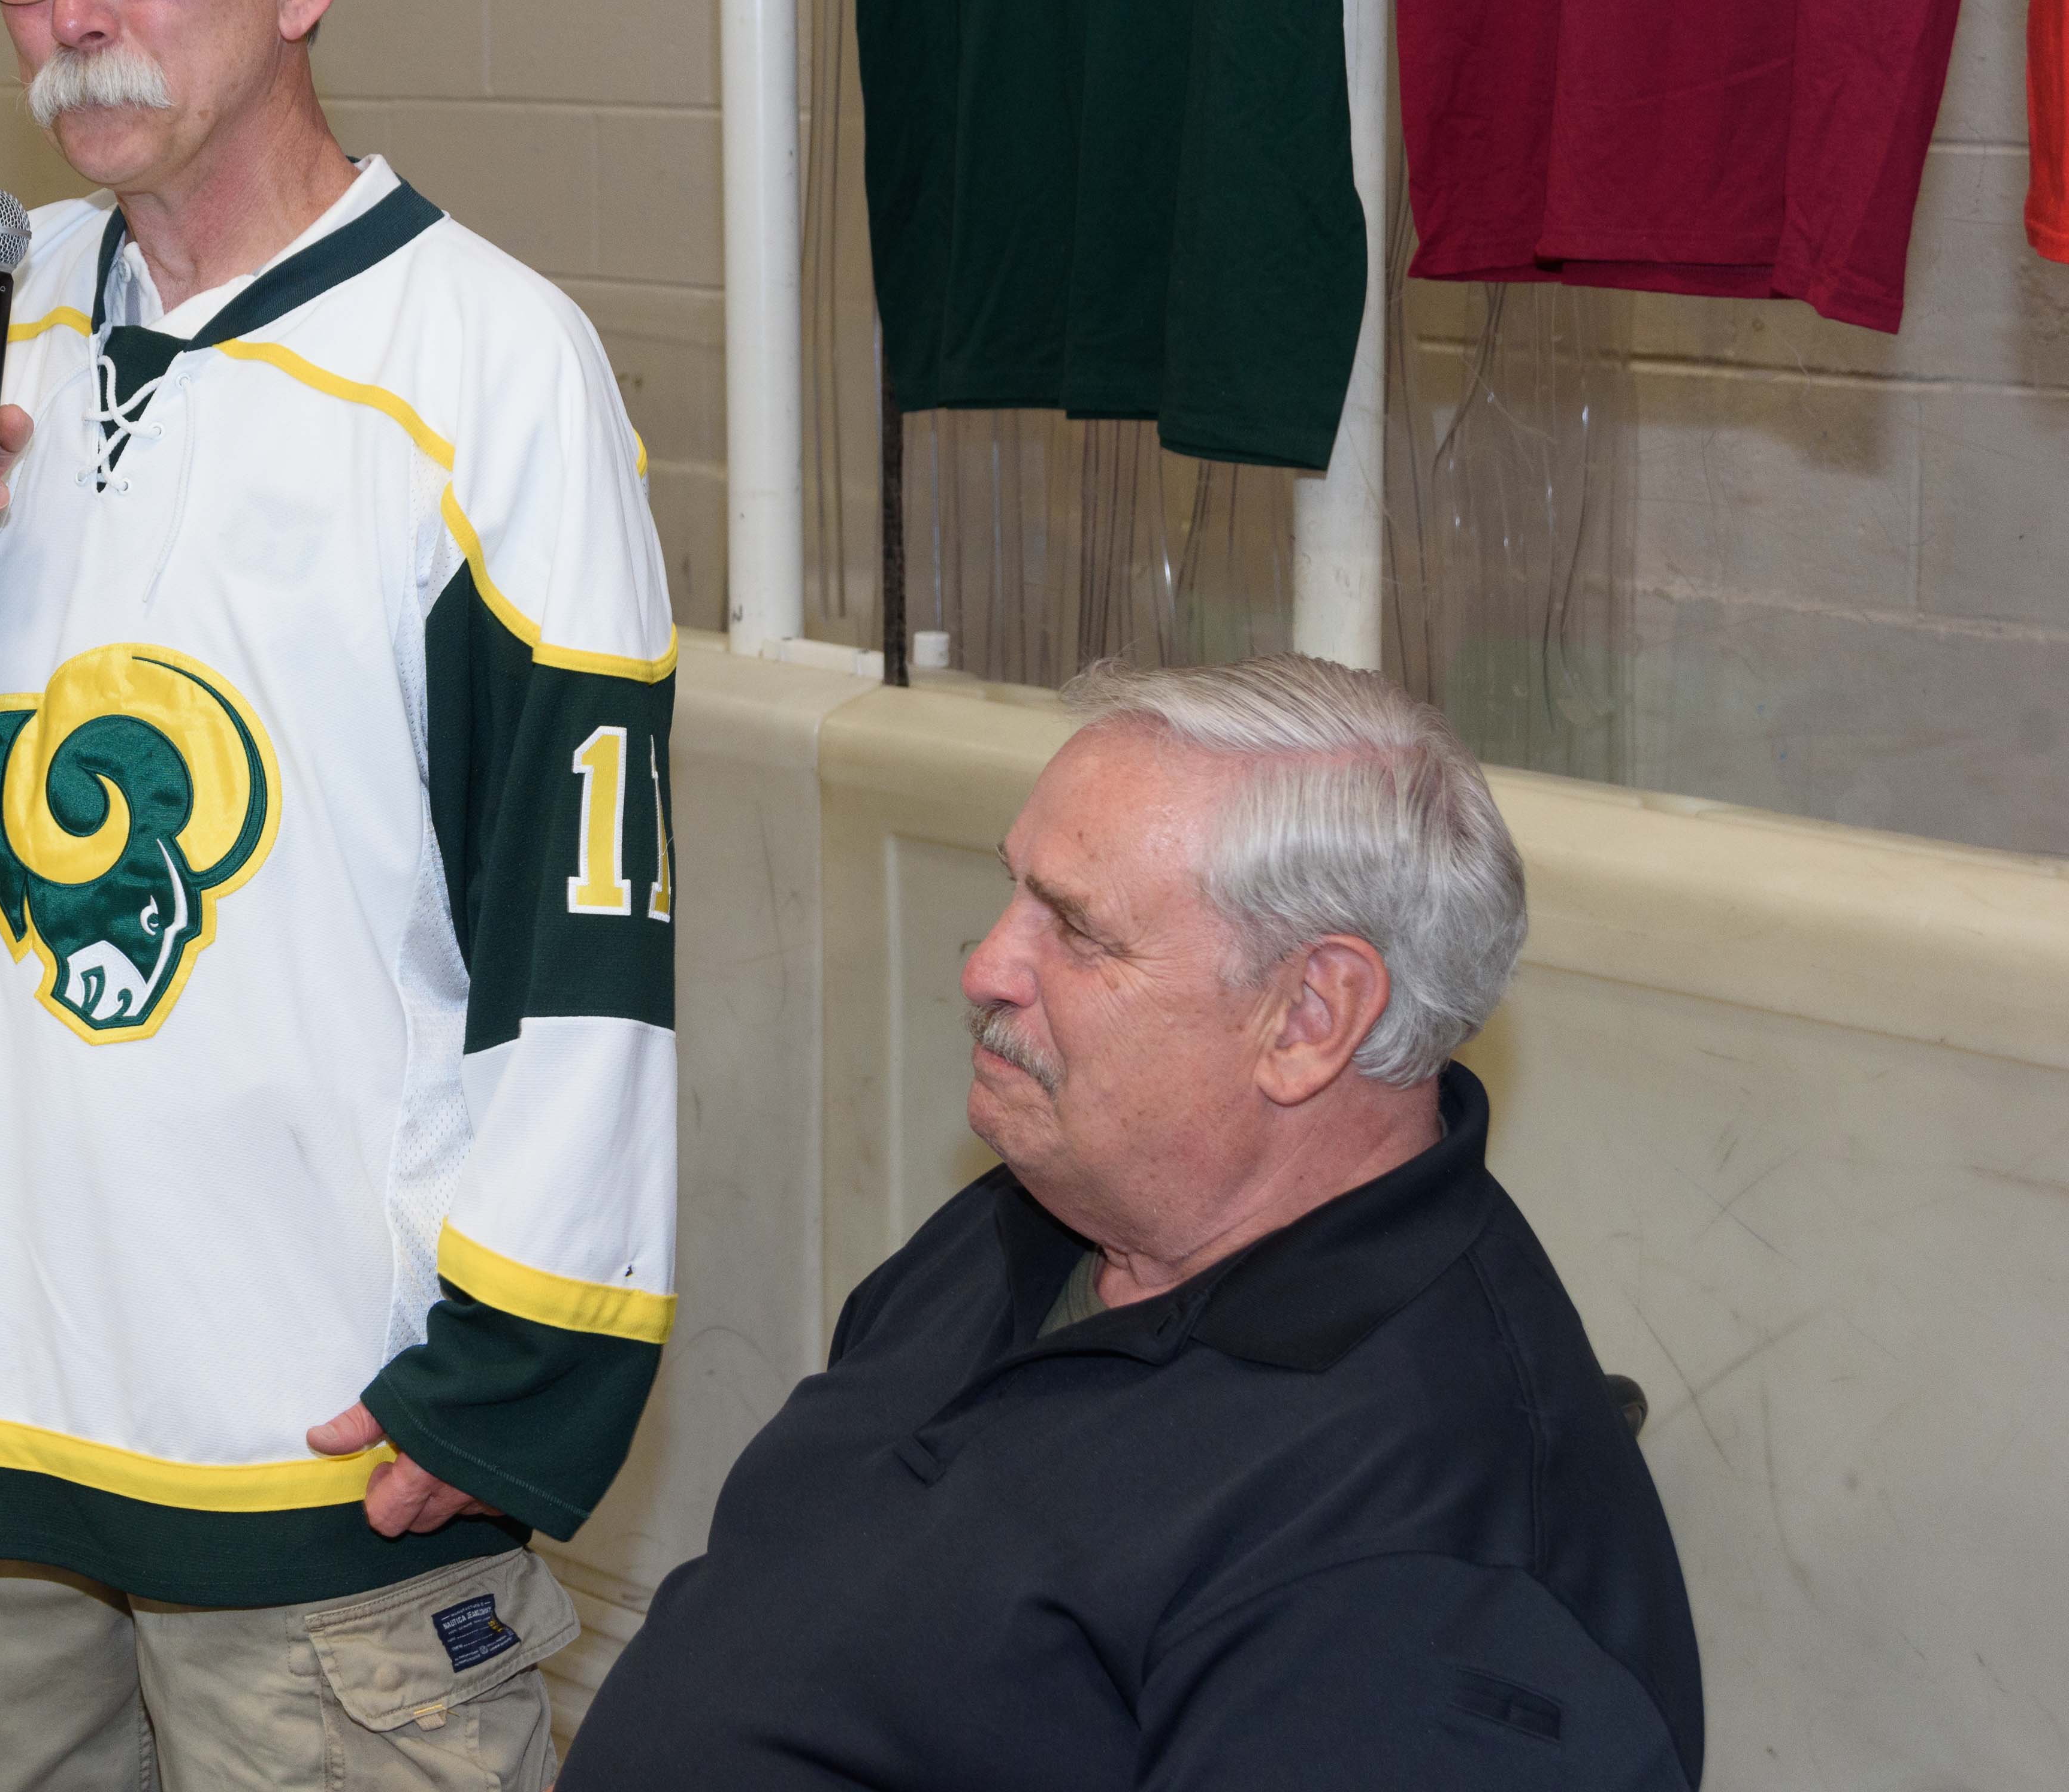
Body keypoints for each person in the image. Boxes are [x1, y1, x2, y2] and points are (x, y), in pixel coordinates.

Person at [0, 0, 680, 1788]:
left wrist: (505, 1374)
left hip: (317, 1462)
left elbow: (583, 907)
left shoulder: (483, 362)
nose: (74, 11)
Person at [559, 657, 1702, 1791]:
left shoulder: (1433, 1549)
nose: (990, 967)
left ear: (1308, 1017)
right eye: (1012, 893)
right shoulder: (1047, 1213)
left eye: (1079, 932)